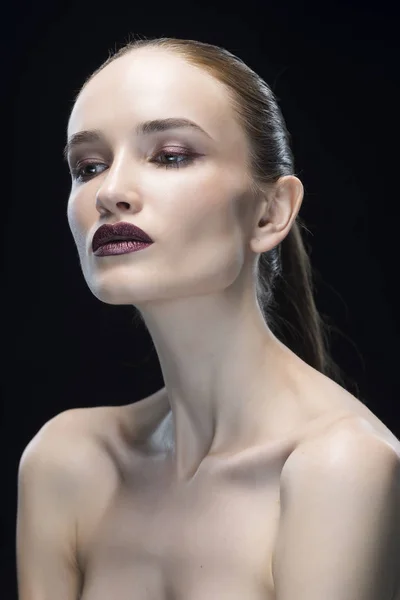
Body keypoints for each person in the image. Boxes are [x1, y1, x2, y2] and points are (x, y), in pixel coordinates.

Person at [17, 36, 400, 600]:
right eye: (88, 166)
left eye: (171, 155)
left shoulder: (339, 469)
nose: (111, 192)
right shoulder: (67, 462)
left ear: (271, 212)